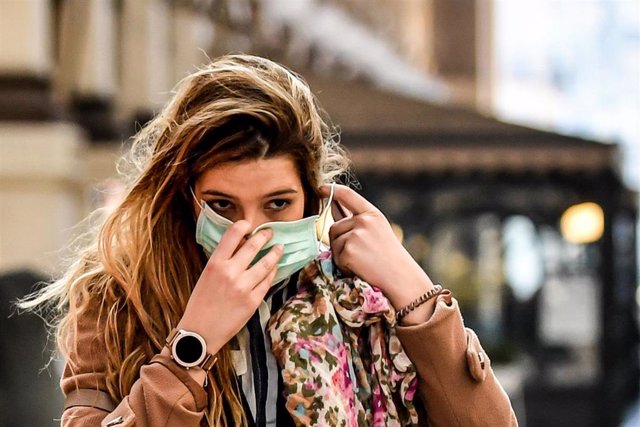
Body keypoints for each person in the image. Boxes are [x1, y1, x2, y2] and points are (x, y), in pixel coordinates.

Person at [21, 54, 517, 426]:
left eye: (278, 204)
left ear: (314, 197)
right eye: (222, 206)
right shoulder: (116, 298)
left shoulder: (367, 297)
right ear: (184, 198)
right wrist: (192, 344)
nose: (251, 232)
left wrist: (415, 294)